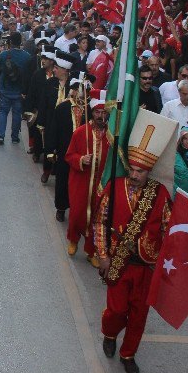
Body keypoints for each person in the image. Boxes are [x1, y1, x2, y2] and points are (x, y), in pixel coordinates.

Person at [95, 120, 174, 373]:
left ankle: (128, 353)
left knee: (139, 315)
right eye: (133, 169)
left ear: (149, 172)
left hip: (147, 268)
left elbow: (168, 230)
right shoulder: (115, 187)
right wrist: (103, 256)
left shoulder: (160, 193)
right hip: (119, 261)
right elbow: (100, 222)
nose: (136, 175)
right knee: (116, 310)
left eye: (141, 171)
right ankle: (109, 334)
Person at [41, 50, 86, 223]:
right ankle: (61, 207)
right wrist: (50, 150)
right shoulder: (61, 105)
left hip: (80, 152)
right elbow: (51, 126)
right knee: (62, 180)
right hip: (62, 146)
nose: (77, 93)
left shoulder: (87, 111)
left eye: (80, 91)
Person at [65, 97, 109, 264]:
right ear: (92, 113)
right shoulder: (80, 132)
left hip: (100, 184)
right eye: (98, 112)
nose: (100, 116)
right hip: (80, 182)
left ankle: (91, 251)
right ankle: (73, 239)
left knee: (97, 218)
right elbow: (69, 156)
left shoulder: (111, 137)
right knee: (77, 213)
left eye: (104, 113)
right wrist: (81, 159)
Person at [0, 32, 31, 145]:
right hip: (19, 89)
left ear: (10, 42)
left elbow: (0, 67)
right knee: (16, 113)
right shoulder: (26, 56)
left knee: (3, 111)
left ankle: (1, 135)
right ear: (20, 42)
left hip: (5, 88)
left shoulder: (3, 54)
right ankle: (15, 137)